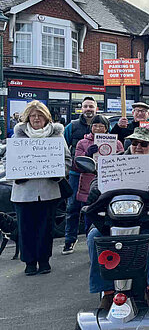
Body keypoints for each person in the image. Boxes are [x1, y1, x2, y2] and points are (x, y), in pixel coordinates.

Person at [85, 127, 149, 309]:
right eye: (134, 143)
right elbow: (99, 178)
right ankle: (107, 291)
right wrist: (95, 189)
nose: (138, 147)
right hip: (115, 215)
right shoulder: (115, 160)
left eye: (144, 144)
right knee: (94, 236)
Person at [11, 100, 71, 275]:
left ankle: (44, 260)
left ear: (47, 118)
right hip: (24, 192)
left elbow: (67, 160)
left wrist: (59, 172)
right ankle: (29, 262)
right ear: (27, 118)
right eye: (33, 115)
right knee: (26, 228)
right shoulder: (18, 137)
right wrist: (17, 174)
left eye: (40, 115)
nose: (36, 118)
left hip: (48, 191)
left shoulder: (57, 136)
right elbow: (9, 161)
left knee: (46, 228)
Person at [73, 115, 124, 232]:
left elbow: (123, 164)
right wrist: (87, 155)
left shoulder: (116, 143)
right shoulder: (82, 143)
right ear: (91, 127)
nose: (98, 129)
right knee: (89, 221)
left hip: (110, 186)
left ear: (106, 128)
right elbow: (76, 165)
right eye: (95, 126)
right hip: (89, 187)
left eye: (101, 126)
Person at [62, 96, 98, 255]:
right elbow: (62, 147)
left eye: (91, 106)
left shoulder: (104, 126)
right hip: (77, 174)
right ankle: (70, 240)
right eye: (86, 106)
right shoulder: (72, 126)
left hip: (97, 175)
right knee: (72, 207)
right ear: (81, 109)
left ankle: (91, 240)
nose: (88, 109)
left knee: (94, 207)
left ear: (96, 109)